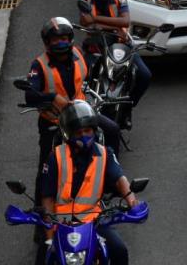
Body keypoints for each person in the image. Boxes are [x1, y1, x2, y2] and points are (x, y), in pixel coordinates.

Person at [25, 17, 122, 206]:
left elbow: (93, 71)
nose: (61, 42)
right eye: (55, 39)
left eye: (64, 38)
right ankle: (40, 215)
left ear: (70, 39)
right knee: (46, 165)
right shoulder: (38, 65)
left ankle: (110, 182)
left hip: (82, 115)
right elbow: (30, 95)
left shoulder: (79, 54)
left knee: (112, 130)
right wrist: (52, 98)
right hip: (54, 122)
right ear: (47, 42)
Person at [39, 101, 139, 265]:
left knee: (119, 250)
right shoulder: (55, 157)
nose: (84, 136)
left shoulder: (105, 153)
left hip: (94, 221)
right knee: (45, 258)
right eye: (79, 132)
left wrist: (133, 202)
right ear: (69, 134)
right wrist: (50, 238)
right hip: (61, 224)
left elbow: (120, 179)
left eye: (88, 130)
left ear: (94, 130)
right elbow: (47, 197)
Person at [77, 0, 151, 129]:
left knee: (144, 75)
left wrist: (96, 20)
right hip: (96, 46)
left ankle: (127, 108)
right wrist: (109, 23)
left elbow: (125, 22)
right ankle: (85, 114)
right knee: (83, 78)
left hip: (120, 43)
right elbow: (84, 21)